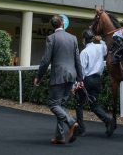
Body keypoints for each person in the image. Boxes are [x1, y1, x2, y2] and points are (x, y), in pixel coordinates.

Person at [34, 15, 83, 145]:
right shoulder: (73, 38)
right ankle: (59, 136)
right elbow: (77, 60)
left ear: (53, 25)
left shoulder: (51, 38)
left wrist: (39, 77)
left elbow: (45, 61)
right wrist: (80, 78)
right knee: (60, 105)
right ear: (62, 23)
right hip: (71, 75)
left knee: (53, 104)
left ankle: (71, 122)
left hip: (59, 76)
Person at [75, 29, 115, 137]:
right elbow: (106, 49)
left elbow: (82, 70)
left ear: (84, 40)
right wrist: (101, 40)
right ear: (93, 38)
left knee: (79, 104)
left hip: (87, 80)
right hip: (97, 80)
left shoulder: (84, 52)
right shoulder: (100, 47)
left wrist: (77, 84)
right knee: (94, 105)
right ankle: (108, 121)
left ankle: (81, 129)